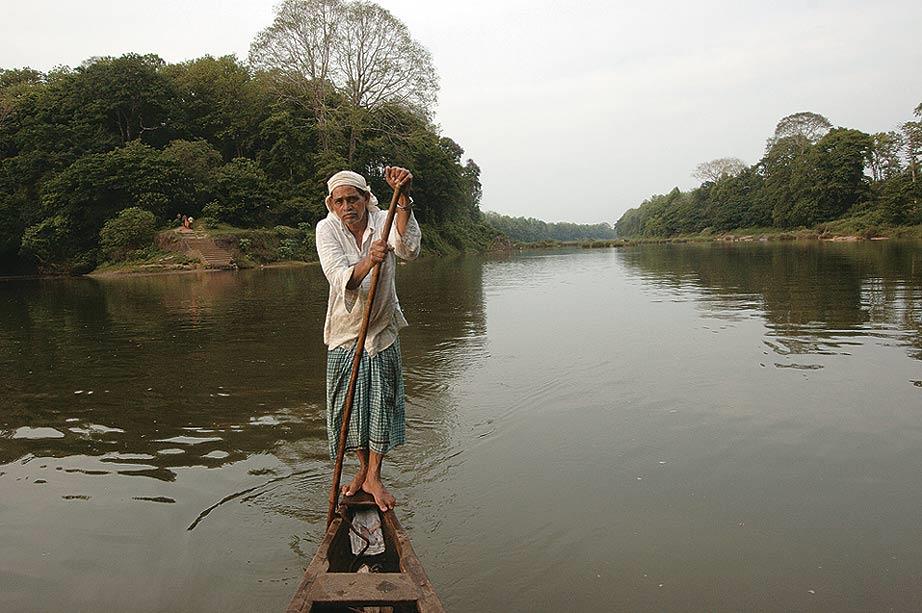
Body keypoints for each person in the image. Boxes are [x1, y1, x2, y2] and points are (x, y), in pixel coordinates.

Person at [315, 166, 421, 512]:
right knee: (347, 407)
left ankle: (374, 475)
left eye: (354, 199)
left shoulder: (382, 218)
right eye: (341, 200)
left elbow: (407, 249)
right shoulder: (326, 228)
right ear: (332, 204)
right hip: (345, 331)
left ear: (366, 199)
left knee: (381, 404)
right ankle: (362, 469)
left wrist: (402, 197)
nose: (348, 206)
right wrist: (367, 262)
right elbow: (337, 276)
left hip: (381, 327)